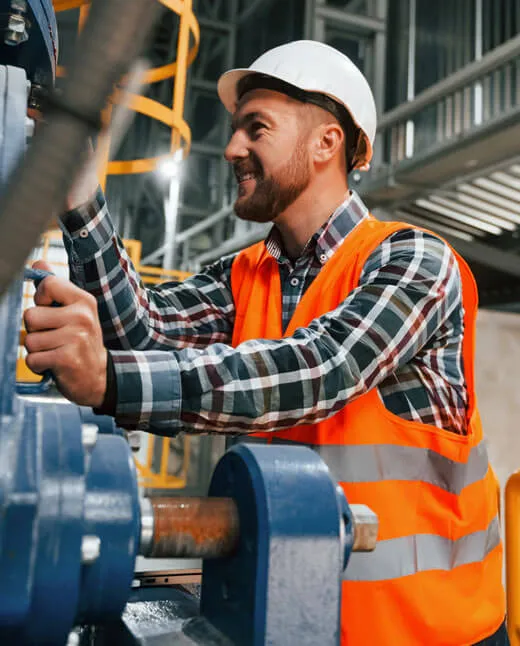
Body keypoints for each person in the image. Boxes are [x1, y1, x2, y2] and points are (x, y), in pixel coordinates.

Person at [23, 40, 507, 645]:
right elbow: (139, 334)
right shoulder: (244, 274)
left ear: (326, 142)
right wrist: (82, 198)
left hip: (427, 633)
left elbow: (322, 369)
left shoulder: (413, 261)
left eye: (257, 128)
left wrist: (111, 379)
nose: (230, 149)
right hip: (289, 624)